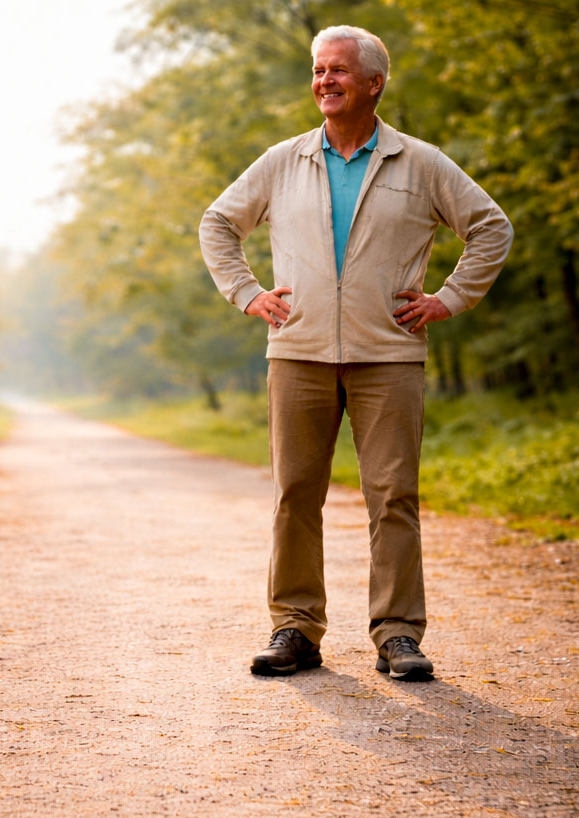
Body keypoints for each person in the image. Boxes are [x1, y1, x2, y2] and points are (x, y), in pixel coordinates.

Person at [199, 25, 513, 681]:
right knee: (294, 494)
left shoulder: (420, 163)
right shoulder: (283, 161)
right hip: (298, 351)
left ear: (374, 83)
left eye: (338, 70)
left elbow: (491, 227)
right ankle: (294, 628)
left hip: (389, 355)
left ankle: (398, 634)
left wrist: (449, 298)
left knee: (393, 496)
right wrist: (247, 293)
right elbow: (218, 223)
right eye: (319, 70)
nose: (325, 81)